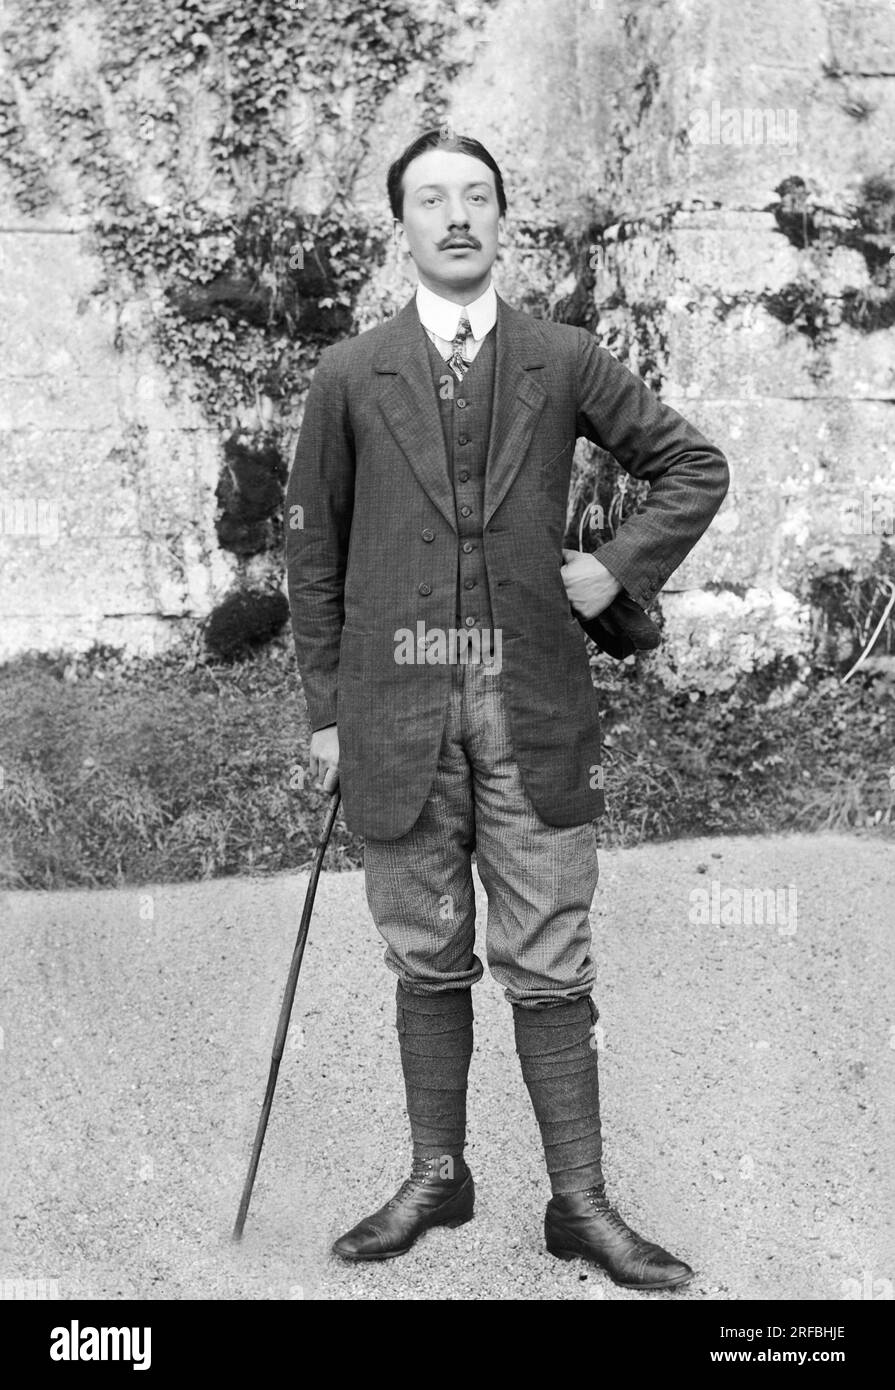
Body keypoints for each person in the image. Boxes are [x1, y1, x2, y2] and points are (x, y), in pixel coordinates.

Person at [285, 129, 729, 1289]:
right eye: (432, 200)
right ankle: (438, 1174)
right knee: (424, 950)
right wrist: (328, 712)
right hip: (394, 710)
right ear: (404, 228)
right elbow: (313, 555)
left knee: (549, 954)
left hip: (532, 702)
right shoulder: (349, 374)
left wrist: (614, 567)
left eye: (476, 196)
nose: (457, 217)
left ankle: (579, 1201)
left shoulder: (563, 357)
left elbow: (692, 465)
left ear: (500, 217)